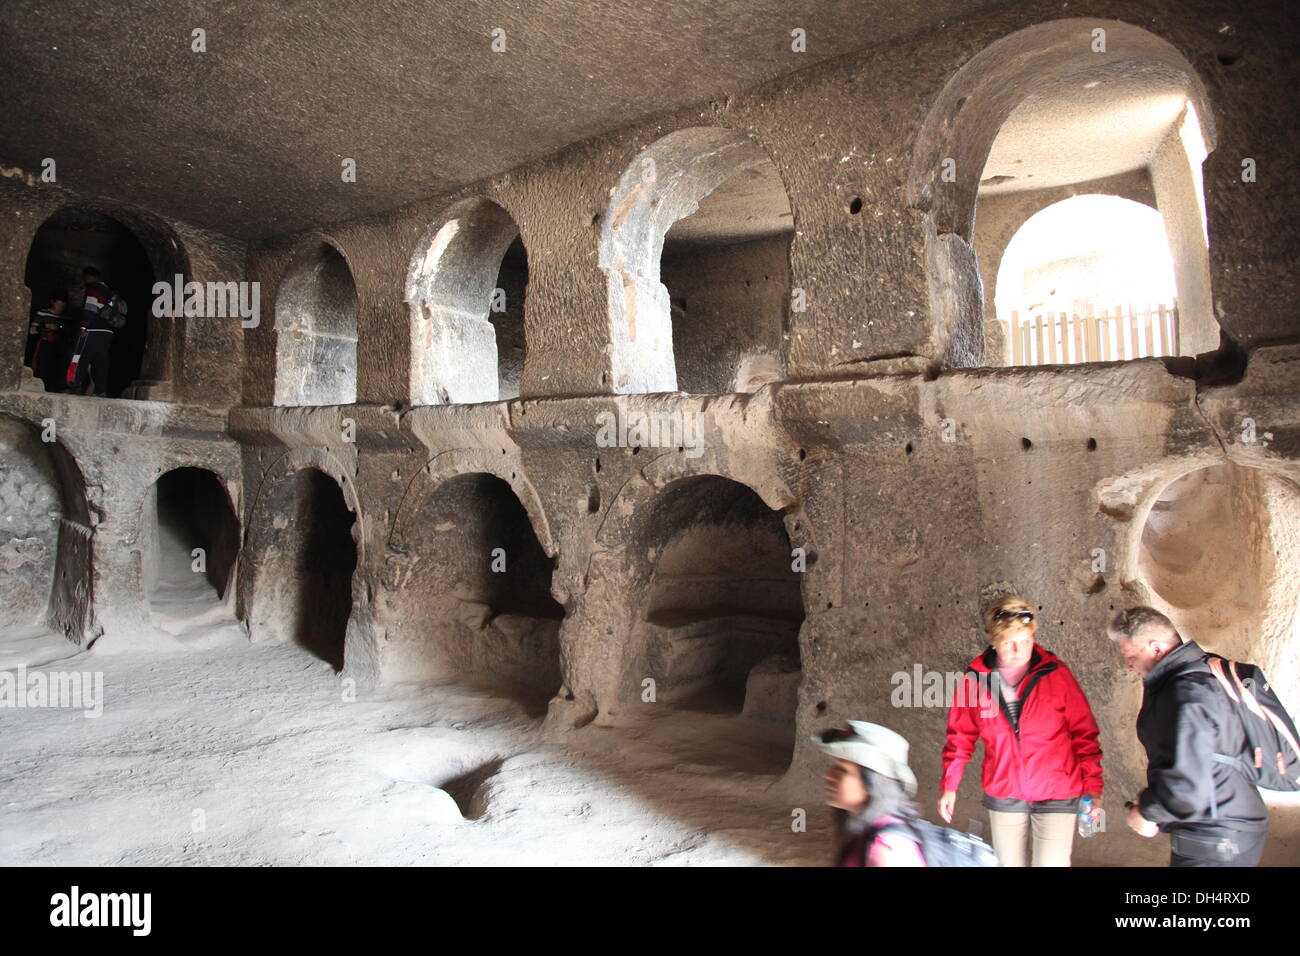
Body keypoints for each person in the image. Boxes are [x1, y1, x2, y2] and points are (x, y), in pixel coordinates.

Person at [939, 595, 1104, 866]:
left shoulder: (1056, 674)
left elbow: (1084, 735)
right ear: (992, 640)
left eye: (1026, 641)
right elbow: (960, 737)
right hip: (1005, 788)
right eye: (1009, 643)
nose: (1019, 650)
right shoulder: (975, 681)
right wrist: (950, 786)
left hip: (1058, 788)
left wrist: (1093, 787)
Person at [1108, 606, 1269, 866]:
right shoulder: (1195, 675)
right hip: (1225, 824)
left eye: (1131, 655)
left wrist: (1148, 812)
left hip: (1217, 834)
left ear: (1156, 648)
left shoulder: (1187, 693)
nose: (1128, 665)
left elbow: (1190, 782)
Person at [816, 721, 926, 866]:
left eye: (842, 771)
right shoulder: (866, 831)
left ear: (872, 783)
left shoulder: (886, 850)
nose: (829, 775)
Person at [65, 266, 118, 396]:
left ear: (89, 277)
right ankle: (101, 390)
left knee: (79, 356)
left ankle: (73, 386)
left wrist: (83, 326)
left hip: (93, 328)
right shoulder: (110, 291)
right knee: (100, 361)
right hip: (108, 331)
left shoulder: (94, 289)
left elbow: (90, 308)